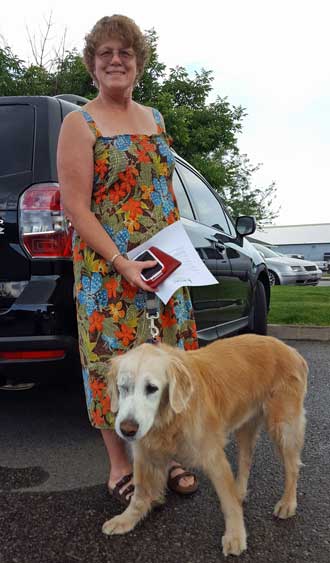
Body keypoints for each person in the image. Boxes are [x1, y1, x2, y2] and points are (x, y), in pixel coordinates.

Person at [57, 14, 199, 505]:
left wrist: (178, 250)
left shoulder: (154, 119)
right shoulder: (80, 123)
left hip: (162, 266)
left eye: (125, 53)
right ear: (92, 66)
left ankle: (164, 454)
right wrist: (121, 261)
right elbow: (76, 205)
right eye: (105, 54)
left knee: (166, 362)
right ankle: (120, 466)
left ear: (138, 64)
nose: (116, 61)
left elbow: (163, 192)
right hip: (109, 269)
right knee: (113, 366)